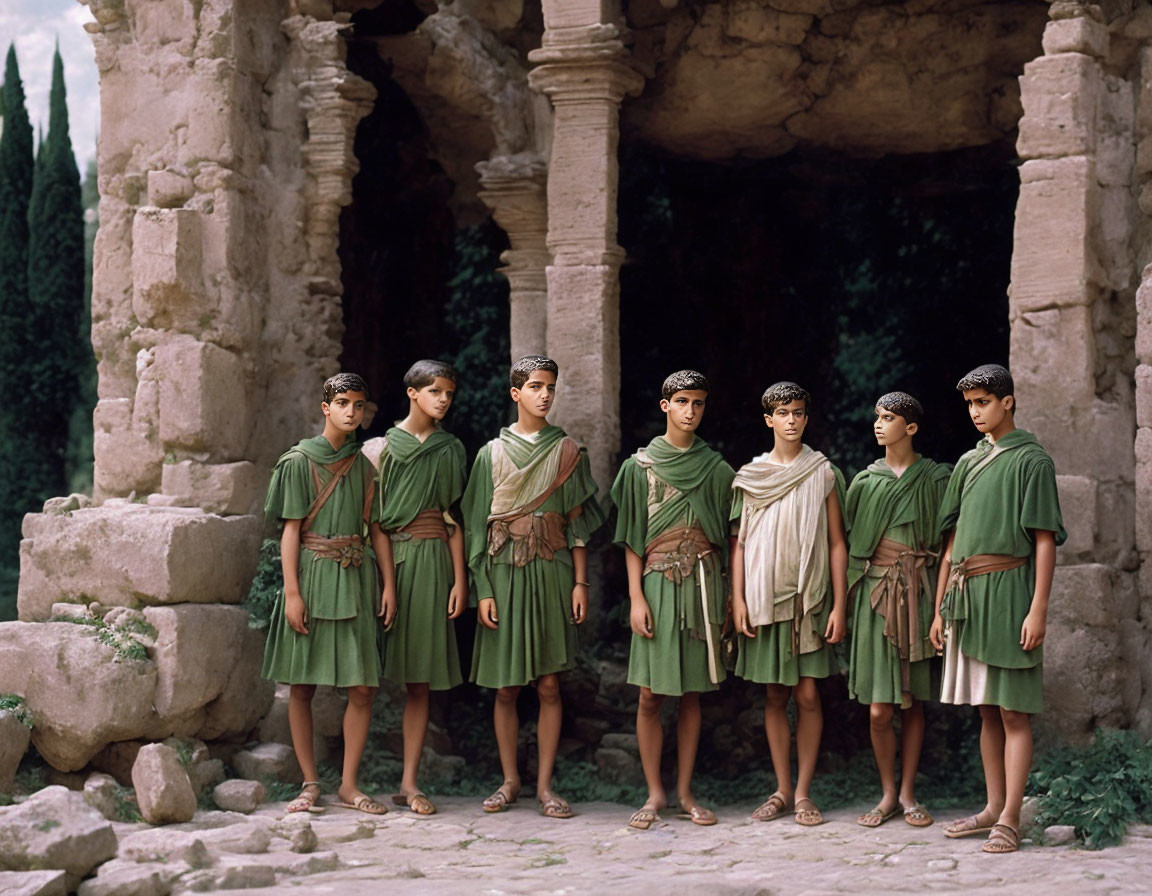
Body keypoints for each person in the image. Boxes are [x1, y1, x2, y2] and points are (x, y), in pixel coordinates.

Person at [461, 355, 605, 819]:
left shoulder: (568, 452)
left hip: (553, 570)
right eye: (536, 386)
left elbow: (578, 522)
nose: (545, 394)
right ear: (515, 393)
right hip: (502, 572)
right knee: (505, 687)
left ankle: (545, 786)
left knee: (548, 685)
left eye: (551, 387)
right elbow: (476, 526)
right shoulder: (490, 454)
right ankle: (509, 780)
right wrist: (482, 589)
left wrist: (581, 582)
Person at [930, 364, 1065, 854]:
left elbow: (1045, 541)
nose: (975, 412)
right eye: (969, 404)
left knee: (1012, 712)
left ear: (1007, 401)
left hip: (1010, 592)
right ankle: (991, 808)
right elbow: (952, 543)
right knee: (986, 709)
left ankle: (1011, 816)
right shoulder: (968, 462)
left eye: (983, 402)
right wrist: (941, 608)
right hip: (967, 596)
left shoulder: (1033, 462)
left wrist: (1039, 609)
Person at [262, 372, 397, 815]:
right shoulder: (298, 462)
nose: (351, 413)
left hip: (357, 579)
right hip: (312, 575)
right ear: (326, 407)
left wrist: (389, 584)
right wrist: (293, 593)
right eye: (343, 403)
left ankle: (349, 784)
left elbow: (376, 531)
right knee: (301, 686)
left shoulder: (363, 467)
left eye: (359, 405)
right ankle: (309, 783)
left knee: (362, 689)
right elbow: (290, 533)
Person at [610, 370, 735, 830]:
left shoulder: (718, 469)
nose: (691, 411)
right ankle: (654, 793)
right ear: (665, 405)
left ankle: (684, 792)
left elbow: (728, 538)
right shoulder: (638, 468)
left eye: (699, 403)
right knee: (649, 694)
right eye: (682, 401)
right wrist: (635, 596)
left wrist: (727, 598)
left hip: (704, 584)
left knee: (692, 694)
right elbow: (630, 541)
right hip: (657, 584)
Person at [730, 381, 848, 827]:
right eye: (783, 412)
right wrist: (737, 599)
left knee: (810, 694)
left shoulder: (822, 473)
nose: (792, 419)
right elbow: (739, 544)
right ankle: (780, 788)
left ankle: (803, 793)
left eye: (799, 411)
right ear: (769, 419)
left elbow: (838, 543)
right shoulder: (750, 476)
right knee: (775, 694)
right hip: (763, 598)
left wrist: (838, 604)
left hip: (809, 600)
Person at [845, 392, 950, 829]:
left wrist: (942, 604)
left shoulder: (936, 479)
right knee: (878, 708)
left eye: (889, 418)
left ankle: (908, 793)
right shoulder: (863, 483)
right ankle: (886, 792)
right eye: (877, 417)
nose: (879, 424)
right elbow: (852, 545)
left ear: (910, 427)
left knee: (913, 702)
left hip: (919, 591)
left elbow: (948, 542)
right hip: (876, 594)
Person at [376, 360, 468, 816]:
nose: (444, 400)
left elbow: (454, 519)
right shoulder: (381, 448)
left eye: (449, 394)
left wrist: (460, 580)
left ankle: (409, 782)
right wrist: (387, 584)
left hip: (434, 563)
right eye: (435, 392)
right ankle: (348, 777)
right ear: (412, 393)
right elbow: (373, 522)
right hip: (388, 560)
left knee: (420, 681)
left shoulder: (451, 449)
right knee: (363, 677)